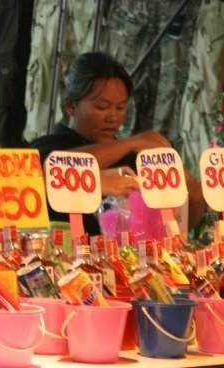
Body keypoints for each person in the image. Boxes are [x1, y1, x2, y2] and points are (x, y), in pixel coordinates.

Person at [31, 51, 206, 235]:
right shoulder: (46, 147)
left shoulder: (133, 159)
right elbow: (53, 168)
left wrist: (195, 197)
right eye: (101, 107)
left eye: (121, 107)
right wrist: (132, 143)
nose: (113, 117)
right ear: (71, 106)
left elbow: (176, 227)